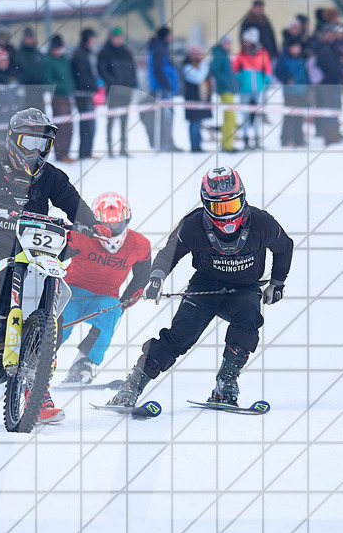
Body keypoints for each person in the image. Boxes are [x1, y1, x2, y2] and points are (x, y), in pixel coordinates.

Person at [0, 109, 110, 422]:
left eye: (42, 144)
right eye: (28, 142)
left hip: (30, 248)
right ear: (12, 139)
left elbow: (73, 203)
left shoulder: (50, 176)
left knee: (50, 296)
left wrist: (94, 223)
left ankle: (37, 386)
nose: (35, 151)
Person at [107, 166, 293, 409]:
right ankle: (132, 385)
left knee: (249, 319)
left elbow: (284, 247)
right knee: (179, 338)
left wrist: (277, 283)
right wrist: (156, 278)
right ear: (206, 204)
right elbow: (168, 254)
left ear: (243, 198)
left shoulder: (261, 223)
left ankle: (226, 383)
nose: (226, 215)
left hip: (245, 289)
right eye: (218, 207)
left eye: (232, 205)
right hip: (205, 287)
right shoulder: (193, 225)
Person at [60, 192, 151, 384]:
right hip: (71, 293)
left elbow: (142, 276)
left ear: (126, 221)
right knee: (62, 324)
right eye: (107, 224)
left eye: (116, 224)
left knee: (112, 310)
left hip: (103, 298)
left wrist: (124, 303)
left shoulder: (140, 244)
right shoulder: (81, 235)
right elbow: (56, 257)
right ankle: (37, 361)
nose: (111, 228)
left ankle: (83, 365)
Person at [97, 27, 136, 157]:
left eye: (120, 37)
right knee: (111, 120)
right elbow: (102, 70)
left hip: (126, 91)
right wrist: (113, 82)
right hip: (113, 91)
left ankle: (123, 148)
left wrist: (132, 84)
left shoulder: (127, 52)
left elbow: (132, 71)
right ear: (111, 38)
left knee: (124, 121)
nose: (118, 39)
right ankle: (110, 148)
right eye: (116, 37)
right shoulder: (105, 52)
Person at [233, 28, 271, 150]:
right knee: (245, 115)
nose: (246, 43)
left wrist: (264, 83)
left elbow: (268, 71)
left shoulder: (263, 53)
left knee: (258, 116)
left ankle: (256, 139)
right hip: (244, 90)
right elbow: (235, 70)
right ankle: (245, 140)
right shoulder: (240, 55)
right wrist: (241, 80)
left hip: (259, 90)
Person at [41, 35, 75, 162]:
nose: (57, 51)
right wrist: (62, 87)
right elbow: (47, 81)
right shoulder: (48, 61)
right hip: (57, 96)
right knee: (61, 125)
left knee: (69, 125)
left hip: (67, 96)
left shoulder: (65, 60)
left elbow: (70, 77)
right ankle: (60, 154)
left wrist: (70, 87)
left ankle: (67, 152)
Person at [146, 26, 179, 151]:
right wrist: (167, 84)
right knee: (166, 118)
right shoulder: (159, 49)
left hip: (164, 88)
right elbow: (158, 70)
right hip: (162, 89)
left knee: (167, 117)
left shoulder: (159, 48)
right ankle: (165, 144)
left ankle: (167, 142)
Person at [309, 25, 343, 145]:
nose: (330, 36)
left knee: (335, 109)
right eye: (328, 33)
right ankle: (330, 137)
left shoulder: (335, 48)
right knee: (329, 110)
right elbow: (327, 67)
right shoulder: (321, 49)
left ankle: (335, 134)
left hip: (335, 84)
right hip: (326, 84)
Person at [275, 38, 309, 147]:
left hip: (301, 91)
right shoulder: (284, 58)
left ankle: (299, 139)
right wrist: (286, 80)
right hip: (289, 92)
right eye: (295, 46)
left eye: (298, 47)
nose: (297, 49)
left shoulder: (302, 58)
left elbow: (305, 74)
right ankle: (287, 139)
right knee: (289, 115)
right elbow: (278, 72)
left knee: (299, 116)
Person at [71, 29, 99, 160]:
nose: (95, 41)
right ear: (88, 38)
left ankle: (87, 151)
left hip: (88, 92)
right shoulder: (80, 54)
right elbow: (82, 76)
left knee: (90, 123)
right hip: (83, 93)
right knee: (87, 124)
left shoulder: (86, 53)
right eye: (93, 38)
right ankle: (84, 152)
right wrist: (92, 86)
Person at [181, 45, 212, 153]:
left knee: (198, 123)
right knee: (194, 123)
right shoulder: (187, 67)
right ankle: (195, 146)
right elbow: (199, 78)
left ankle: (198, 145)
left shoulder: (199, 65)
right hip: (192, 99)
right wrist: (204, 66)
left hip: (201, 99)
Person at [210, 36, 239, 152]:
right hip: (225, 90)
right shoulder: (219, 55)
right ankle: (227, 145)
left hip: (229, 89)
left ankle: (228, 143)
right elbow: (214, 71)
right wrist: (226, 82)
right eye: (226, 43)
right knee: (230, 117)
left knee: (230, 118)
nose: (229, 45)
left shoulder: (224, 55)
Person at [16, 27, 44, 112]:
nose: (29, 40)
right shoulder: (19, 55)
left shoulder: (38, 54)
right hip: (26, 90)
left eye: (31, 37)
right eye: (27, 38)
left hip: (39, 90)